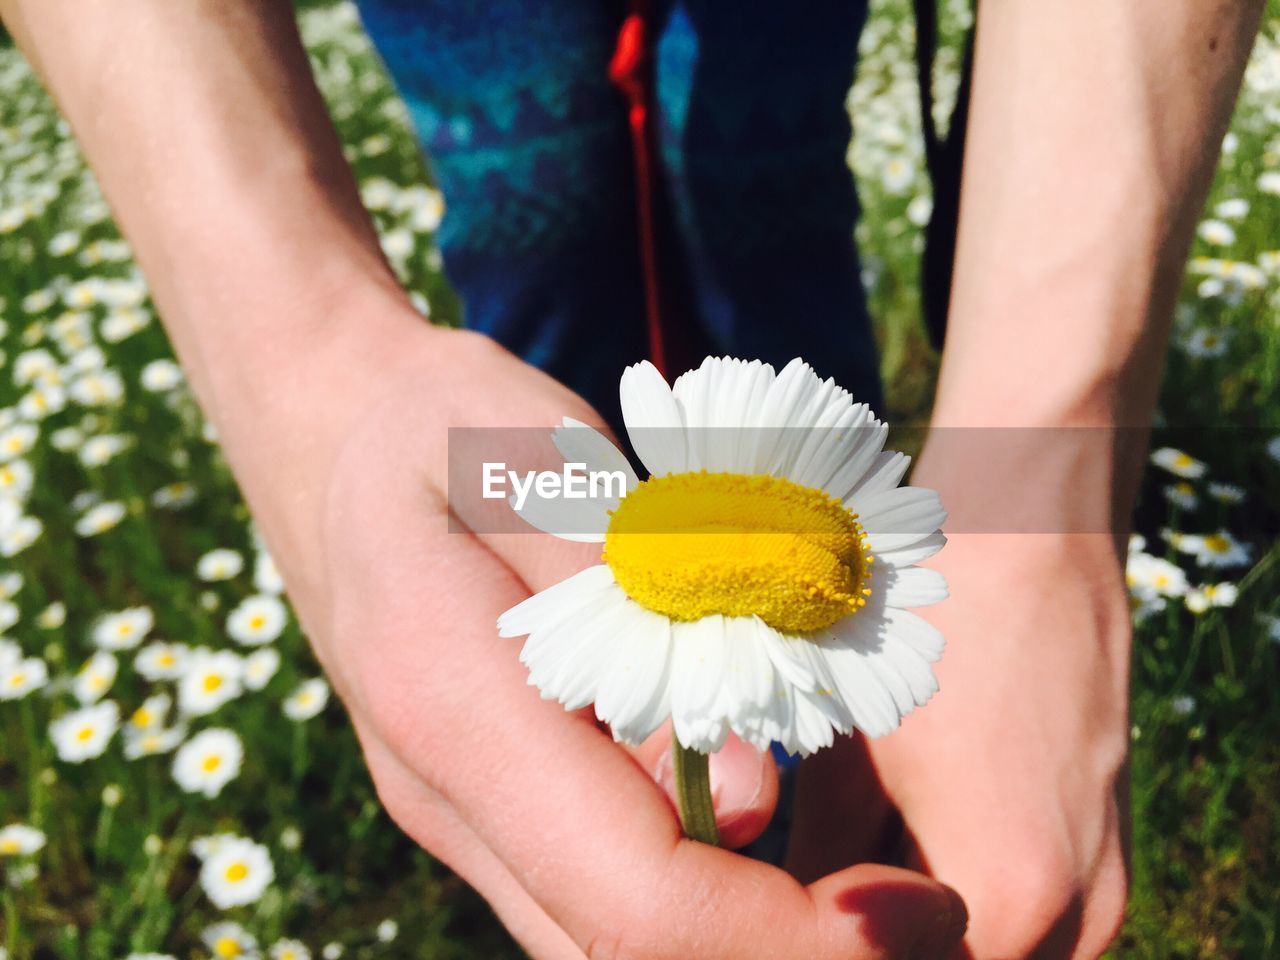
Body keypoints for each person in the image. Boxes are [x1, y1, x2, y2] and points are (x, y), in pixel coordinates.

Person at [0, 1, 1262, 957]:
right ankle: (593, 785)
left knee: (764, 193)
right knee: (528, 196)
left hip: (812, 528)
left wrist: (1037, 469)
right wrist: (309, 365)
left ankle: (795, 771)